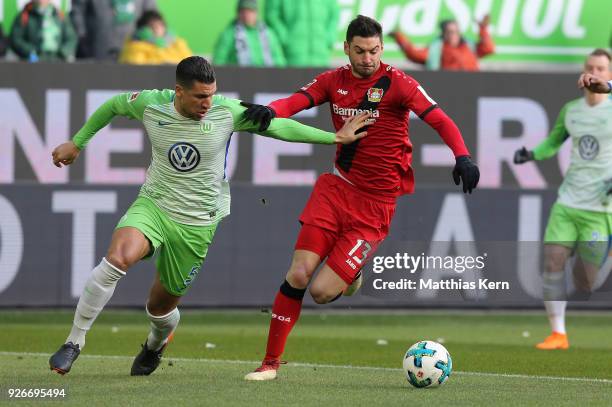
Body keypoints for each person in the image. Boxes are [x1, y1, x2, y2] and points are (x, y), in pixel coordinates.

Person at [47, 56, 369, 376]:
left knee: (160, 307)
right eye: (201, 96)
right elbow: (114, 104)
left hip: (198, 222)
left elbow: (279, 127)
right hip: (155, 205)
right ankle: (74, 342)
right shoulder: (151, 105)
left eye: (211, 94)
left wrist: (334, 137)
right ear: (179, 92)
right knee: (118, 257)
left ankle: (156, 343)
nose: (207, 102)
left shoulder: (226, 112)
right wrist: (77, 143)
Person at [241, 15, 479, 381]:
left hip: (376, 207)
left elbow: (440, 119)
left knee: (321, 292)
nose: (368, 58)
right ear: (347, 48)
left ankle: (353, 275)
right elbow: (298, 100)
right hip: (336, 191)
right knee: (300, 273)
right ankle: (270, 363)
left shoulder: (399, 83)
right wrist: (271, 111)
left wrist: (462, 156)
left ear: (382, 48)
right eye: (360, 51)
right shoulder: (332, 81)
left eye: (374, 51)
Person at [514, 48, 612, 350]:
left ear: (609, 74)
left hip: (600, 208)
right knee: (552, 260)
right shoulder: (571, 110)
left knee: (586, 281)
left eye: (601, 67)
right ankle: (558, 333)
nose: (594, 72)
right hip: (568, 203)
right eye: (590, 67)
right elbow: (554, 141)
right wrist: (532, 153)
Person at [390, 16, 494, 71]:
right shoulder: (437, 48)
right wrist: (399, 37)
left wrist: (483, 28)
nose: (454, 35)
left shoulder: (469, 45)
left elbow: (489, 48)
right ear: (444, 33)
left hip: (472, 85)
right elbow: (413, 54)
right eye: (450, 32)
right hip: (448, 87)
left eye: (456, 31)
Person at [71, 0, 157, 60]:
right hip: (97, 51)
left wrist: (148, 38)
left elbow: (152, 17)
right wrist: (82, 39)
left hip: (133, 53)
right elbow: (77, 13)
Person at [264, 0, 339, 67]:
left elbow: (334, 15)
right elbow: (271, 15)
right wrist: (285, 39)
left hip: (321, 59)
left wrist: (328, 39)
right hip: (291, 58)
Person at [213, 0, 285, 67]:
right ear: (237, 13)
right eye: (242, 11)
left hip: (268, 77)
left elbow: (279, 61)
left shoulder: (269, 34)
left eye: (250, 11)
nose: (246, 15)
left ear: (256, 13)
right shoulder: (229, 34)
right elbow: (219, 62)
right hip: (238, 78)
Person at [9, 0, 77, 62]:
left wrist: (63, 52)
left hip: (58, 60)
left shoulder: (59, 15)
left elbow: (71, 37)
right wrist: (31, 51)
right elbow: (16, 39)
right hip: (34, 60)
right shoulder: (24, 15)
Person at [119, 10, 192, 65]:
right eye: (152, 26)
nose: (157, 29)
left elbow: (190, 66)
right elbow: (135, 67)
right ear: (143, 30)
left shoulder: (178, 44)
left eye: (160, 25)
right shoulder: (134, 47)